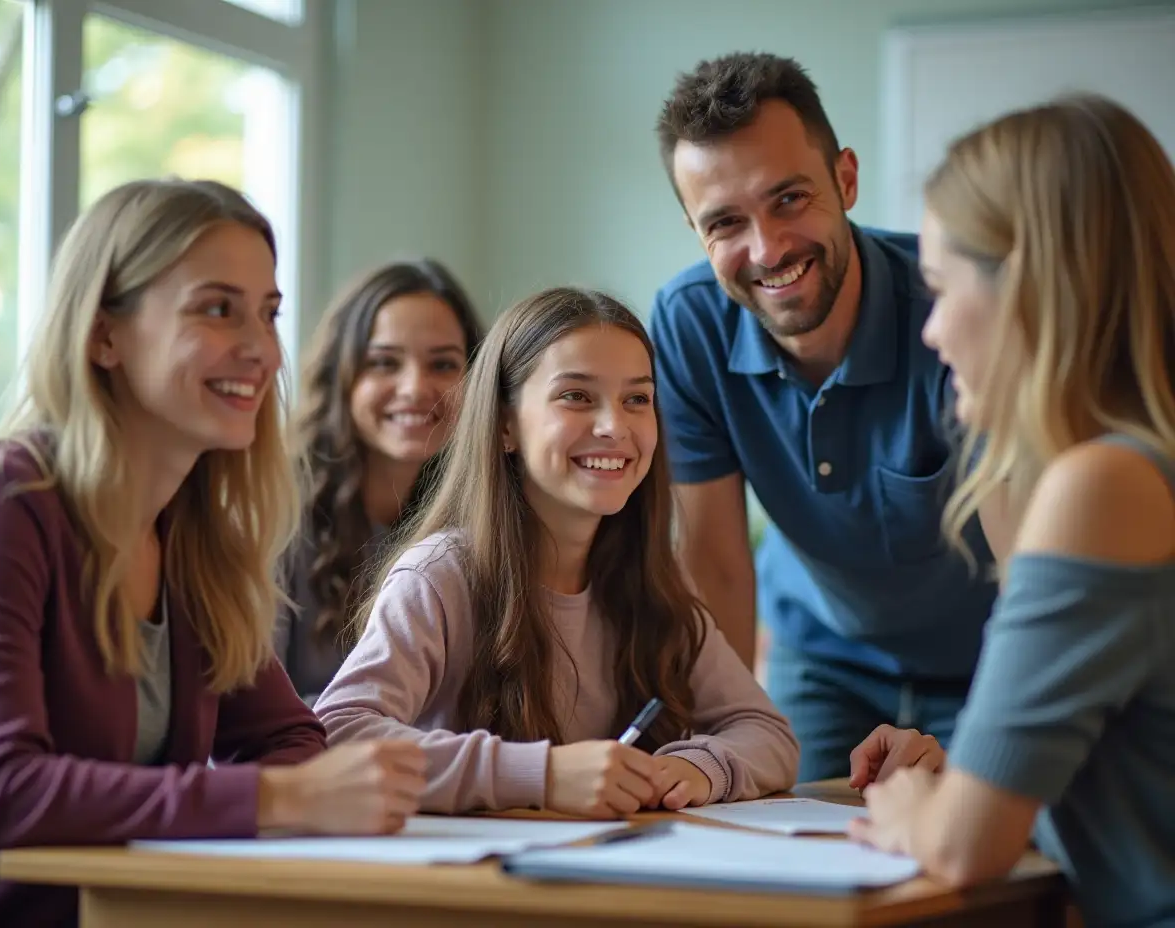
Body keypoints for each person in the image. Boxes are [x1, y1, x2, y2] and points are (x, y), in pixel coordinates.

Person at [0, 178, 426, 928]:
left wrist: (314, 788)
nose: (261, 348)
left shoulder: (194, 538)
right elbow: (2, 794)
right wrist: (282, 798)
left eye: (268, 314)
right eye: (216, 309)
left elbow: (288, 735)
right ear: (103, 335)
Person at [849, 96, 1175, 927]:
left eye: (941, 288)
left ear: (1028, 285)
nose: (933, 333)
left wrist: (916, 805)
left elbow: (966, 845)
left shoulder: (1106, 486)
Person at [648, 51, 1001, 782]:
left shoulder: (954, 312)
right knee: (778, 841)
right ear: (694, 230)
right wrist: (720, 758)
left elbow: (1030, 567)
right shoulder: (688, 326)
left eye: (788, 199)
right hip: (824, 659)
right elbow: (715, 561)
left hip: (987, 662)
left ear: (845, 180)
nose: (767, 248)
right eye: (725, 223)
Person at [314, 288, 801, 817]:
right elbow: (341, 732)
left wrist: (694, 768)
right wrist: (538, 775)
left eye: (637, 399)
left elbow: (768, 733)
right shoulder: (439, 576)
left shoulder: (654, 586)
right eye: (577, 396)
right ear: (505, 425)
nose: (615, 426)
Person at [279, 259, 484, 703]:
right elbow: (243, 725)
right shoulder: (275, 512)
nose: (414, 387)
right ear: (342, 376)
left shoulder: (478, 521)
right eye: (384, 362)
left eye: (444, 364)